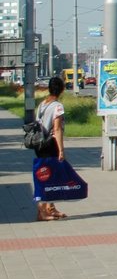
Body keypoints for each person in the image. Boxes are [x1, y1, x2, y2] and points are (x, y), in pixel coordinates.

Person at [34, 76, 68, 221]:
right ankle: (42, 211)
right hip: (51, 145)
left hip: (40, 145)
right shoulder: (57, 106)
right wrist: (61, 150)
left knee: (48, 176)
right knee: (47, 178)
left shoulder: (42, 104)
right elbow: (57, 129)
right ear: (61, 90)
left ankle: (50, 208)